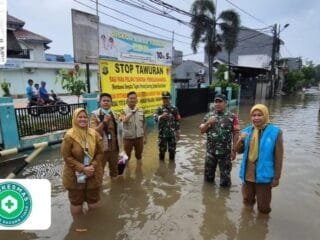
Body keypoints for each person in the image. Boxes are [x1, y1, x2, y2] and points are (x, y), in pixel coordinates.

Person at [236, 104, 284, 214]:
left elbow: (279, 157)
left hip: (264, 175)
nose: (256, 118)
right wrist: (241, 140)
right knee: (247, 202)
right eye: (254, 115)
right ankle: (246, 225)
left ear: (265, 115)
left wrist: (276, 177)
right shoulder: (247, 131)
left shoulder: (275, 132)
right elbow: (238, 151)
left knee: (263, 207)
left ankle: (262, 227)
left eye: (259, 115)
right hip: (248, 175)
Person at [61, 108, 104, 217]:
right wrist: (82, 168)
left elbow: (100, 152)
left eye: (85, 117)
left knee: (93, 200)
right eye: (80, 117)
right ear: (75, 119)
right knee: (76, 201)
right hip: (74, 174)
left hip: (93, 173)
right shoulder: (69, 136)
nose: (83, 119)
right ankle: (79, 225)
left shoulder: (94, 134)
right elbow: (67, 157)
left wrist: (92, 165)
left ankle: (94, 225)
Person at [199, 93, 240, 187]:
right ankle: (209, 197)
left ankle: (224, 199)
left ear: (225, 103)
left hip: (225, 154)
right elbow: (201, 130)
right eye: (215, 102)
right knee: (208, 179)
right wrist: (208, 122)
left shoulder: (232, 117)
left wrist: (234, 150)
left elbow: (236, 133)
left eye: (220, 102)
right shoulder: (208, 115)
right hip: (211, 152)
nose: (217, 104)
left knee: (225, 181)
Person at [90, 93, 119, 179]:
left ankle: (115, 189)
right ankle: (99, 190)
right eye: (104, 101)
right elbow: (93, 132)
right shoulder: (95, 115)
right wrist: (104, 122)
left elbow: (119, 132)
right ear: (100, 102)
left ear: (111, 103)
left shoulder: (115, 114)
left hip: (114, 148)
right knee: (99, 171)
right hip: (101, 150)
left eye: (108, 101)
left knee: (115, 171)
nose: (106, 102)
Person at [154, 91, 181, 161]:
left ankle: (171, 169)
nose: (165, 100)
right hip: (162, 135)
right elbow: (155, 118)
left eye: (167, 98)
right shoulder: (159, 108)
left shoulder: (174, 108)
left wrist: (178, 133)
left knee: (172, 153)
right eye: (164, 98)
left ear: (170, 98)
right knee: (162, 153)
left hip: (172, 135)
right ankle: (161, 168)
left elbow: (177, 120)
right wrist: (161, 116)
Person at [121, 91, 147, 161]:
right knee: (126, 157)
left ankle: (139, 169)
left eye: (134, 98)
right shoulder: (123, 110)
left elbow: (144, 123)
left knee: (139, 156)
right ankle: (126, 171)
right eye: (131, 98)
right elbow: (124, 120)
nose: (132, 100)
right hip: (128, 138)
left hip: (139, 138)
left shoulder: (141, 110)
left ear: (137, 100)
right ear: (127, 100)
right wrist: (133, 112)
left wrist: (145, 137)